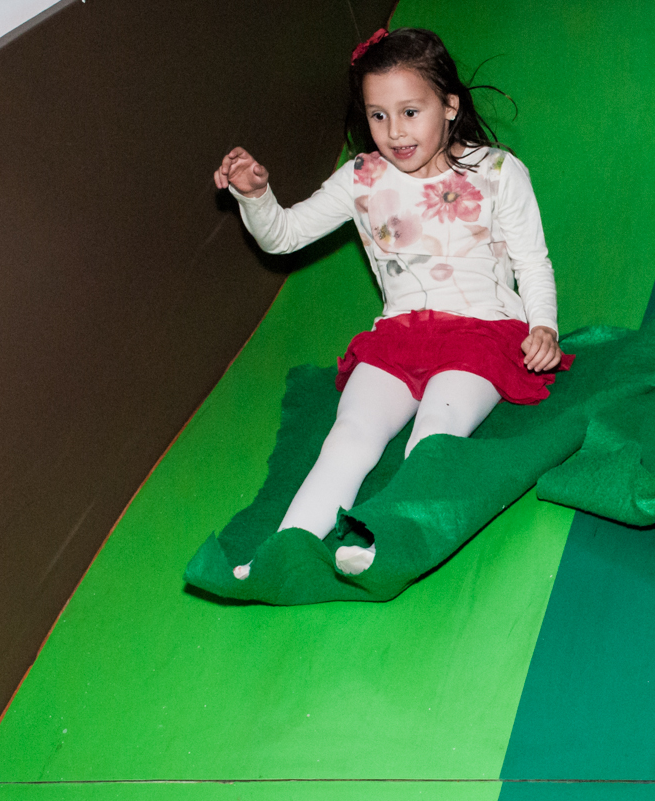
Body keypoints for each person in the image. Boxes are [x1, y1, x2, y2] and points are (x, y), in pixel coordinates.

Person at [214, 27, 567, 576]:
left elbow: (532, 262)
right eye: (378, 116)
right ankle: (286, 548)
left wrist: (542, 325)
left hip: (482, 332)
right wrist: (256, 196)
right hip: (400, 335)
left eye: (409, 112)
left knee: (435, 429)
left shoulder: (498, 172)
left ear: (449, 105)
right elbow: (283, 236)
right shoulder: (362, 177)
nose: (394, 132)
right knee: (349, 435)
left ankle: (389, 540)